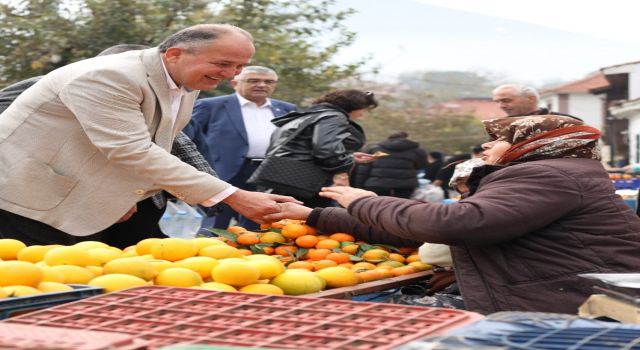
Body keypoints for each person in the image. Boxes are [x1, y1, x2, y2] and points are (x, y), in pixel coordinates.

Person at [268, 114, 640, 315]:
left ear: (534, 144)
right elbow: (425, 232)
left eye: (501, 137)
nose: (487, 145)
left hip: (558, 301)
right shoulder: (552, 174)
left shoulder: (547, 175)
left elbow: (457, 224)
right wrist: (313, 215)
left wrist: (365, 200)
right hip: (558, 291)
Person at [0, 24, 299, 245]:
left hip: (77, 198)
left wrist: (119, 196)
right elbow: (132, 149)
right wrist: (234, 196)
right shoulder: (108, 76)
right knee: (41, 294)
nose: (231, 75)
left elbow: (158, 144)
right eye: (223, 64)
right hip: (30, 197)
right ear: (174, 54)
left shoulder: (185, 81)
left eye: (239, 66)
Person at [0, 44, 221, 249]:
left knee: (107, 259)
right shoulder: (61, 84)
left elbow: (176, 144)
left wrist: (215, 192)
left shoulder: (167, 93)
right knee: (44, 262)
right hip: (38, 192)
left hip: (133, 199)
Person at [186, 66, 296, 230]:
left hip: (269, 173)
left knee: (262, 223)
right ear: (234, 83)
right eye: (253, 80)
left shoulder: (287, 109)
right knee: (216, 223)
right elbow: (188, 139)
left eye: (268, 82)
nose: (261, 85)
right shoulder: (210, 106)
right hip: (224, 173)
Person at [262, 89, 378, 208]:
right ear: (356, 105)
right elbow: (326, 149)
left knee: (279, 217)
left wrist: (349, 156)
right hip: (305, 179)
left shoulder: (311, 114)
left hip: (282, 174)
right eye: (366, 109)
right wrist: (341, 173)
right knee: (303, 221)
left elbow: (307, 147)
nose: (364, 113)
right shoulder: (333, 116)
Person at [350, 131, 427, 198]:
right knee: (400, 207)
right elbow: (422, 166)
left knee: (378, 207)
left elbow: (363, 170)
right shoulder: (417, 151)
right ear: (406, 138)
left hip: (377, 184)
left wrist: (359, 186)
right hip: (405, 185)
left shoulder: (374, 148)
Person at [492, 83, 579, 119]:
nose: (501, 106)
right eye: (498, 102)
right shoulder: (499, 126)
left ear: (531, 98)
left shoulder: (565, 121)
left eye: (506, 100)